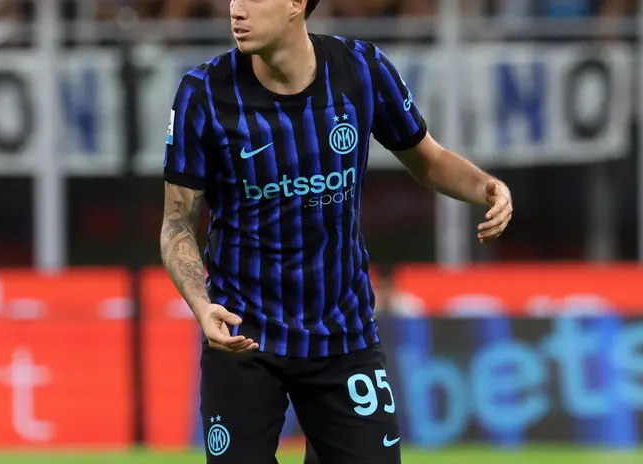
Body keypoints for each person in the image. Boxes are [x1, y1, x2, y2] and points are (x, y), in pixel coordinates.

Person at [159, 0, 513, 462]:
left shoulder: (361, 70)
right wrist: (201, 306)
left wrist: (487, 186)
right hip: (243, 339)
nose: (236, 9)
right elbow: (175, 223)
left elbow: (427, 159)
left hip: (343, 336)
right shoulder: (203, 93)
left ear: (295, 4)